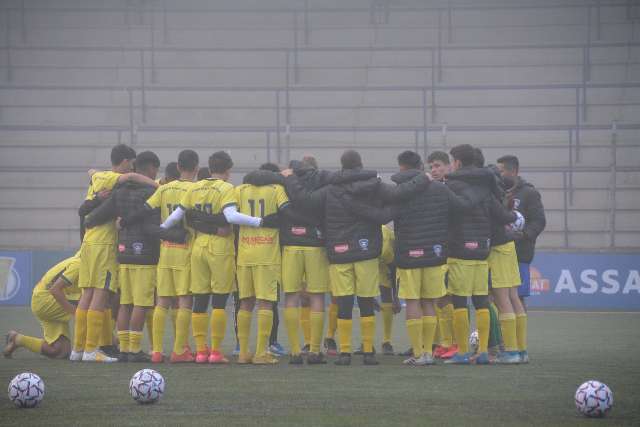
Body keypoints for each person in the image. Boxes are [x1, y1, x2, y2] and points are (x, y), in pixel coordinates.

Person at [283, 150, 426, 366]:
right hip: (366, 251)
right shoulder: (374, 185)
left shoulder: (331, 188)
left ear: (342, 166)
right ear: (360, 165)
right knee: (366, 300)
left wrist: (290, 178)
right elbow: (399, 195)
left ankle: (345, 353)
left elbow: (305, 201)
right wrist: (423, 179)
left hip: (339, 252)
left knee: (344, 302)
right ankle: (368, 352)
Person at [160, 151, 264, 364]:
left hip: (198, 247)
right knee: (218, 302)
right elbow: (231, 217)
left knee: (200, 300)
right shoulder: (226, 188)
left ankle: (199, 351)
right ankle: (215, 351)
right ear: (228, 169)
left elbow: (177, 215)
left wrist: (161, 228)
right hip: (219, 249)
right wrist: (258, 221)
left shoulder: (195, 187)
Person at [85, 151, 182, 362]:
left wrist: (94, 220)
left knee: (125, 303)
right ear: (152, 169)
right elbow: (150, 227)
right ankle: (135, 349)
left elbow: (94, 216)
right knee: (141, 303)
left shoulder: (119, 191)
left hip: (123, 254)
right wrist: (177, 235)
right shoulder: (151, 191)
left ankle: (125, 348)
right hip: (145, 254)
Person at [391, 151, 485, 365]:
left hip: (409, 254)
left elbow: (387, 214)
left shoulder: (402, 191)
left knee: (414, 301)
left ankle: (419, 353)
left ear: (403, 168)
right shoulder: (441, 189)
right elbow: (461, 207)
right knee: (431, 302)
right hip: (435, 254)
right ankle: (430, 352)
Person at [71, 144, 158, 363]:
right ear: (126, 161)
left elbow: (90, 171)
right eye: (131, 162)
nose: (133, 167)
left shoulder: (98, 177)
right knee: (100, 295)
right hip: (104, 243)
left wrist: (91, 172)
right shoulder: (112, 177)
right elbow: (133, 177)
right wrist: (157, 185)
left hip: (88, 242)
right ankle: (92, 350)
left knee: (87, 295)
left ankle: (78, 349)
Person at [443, 144, 517, 365]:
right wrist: (515, 216)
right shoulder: (488, 185)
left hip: (459, 251)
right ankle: (483, 351)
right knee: (481, 301)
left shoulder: (451, 186)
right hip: (482, 250)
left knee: (459, 302)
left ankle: (464, 352)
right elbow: (501, 215)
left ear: (457, 162)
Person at [144, 149, 200, 363]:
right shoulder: (195, 189)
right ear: (195, 168)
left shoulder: (164, 189)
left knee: (162, 301)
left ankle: (157, 351)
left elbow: (146, 208)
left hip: (165, 250)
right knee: (185, 300)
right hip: (185, 250)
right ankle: (179, 350)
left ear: (178, 166)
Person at [278, 157, 333, 364]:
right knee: (317, 296)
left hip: (291, 245)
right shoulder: (323, 183)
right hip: (316, 245)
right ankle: (315, 351)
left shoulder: (283, 183)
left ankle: (294, 352)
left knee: (291, 296)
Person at [234, 163, 289, 365]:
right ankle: (260, 353)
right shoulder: (277, 189)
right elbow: (286, 213)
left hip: (245, 253)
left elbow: (229, 213)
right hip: (267, 253)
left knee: (245, 302)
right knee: (265, 302)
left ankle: (242, 354)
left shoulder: (239, 190)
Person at [497, 154, 546, 363]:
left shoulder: (529, 193)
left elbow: (539, 221)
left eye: (501, 171)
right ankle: (506, 343)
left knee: (516, 296)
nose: (499, 174)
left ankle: (519, 345)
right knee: (499, 298)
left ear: (514, 171)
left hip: (520, 253)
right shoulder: (497, 192)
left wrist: (524, 235)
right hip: (499, 250)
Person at [4, 253, 82, 359]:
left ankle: (17, 339)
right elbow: (54, 290)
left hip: (46, 298)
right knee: (91, 300)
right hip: (45, 300)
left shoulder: (85, 257)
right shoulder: (79, 263)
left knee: (60, 352)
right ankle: (102, 347)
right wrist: (77, 314)